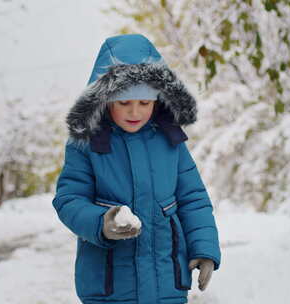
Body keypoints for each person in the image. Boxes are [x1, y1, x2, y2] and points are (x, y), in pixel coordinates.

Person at [52, 34, 221, 304]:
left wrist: (204, 249)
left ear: (159, 99)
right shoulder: (87, 144)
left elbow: (193, 200)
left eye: (144, 102)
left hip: (168, 284)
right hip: (111, 288)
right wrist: (102, 222)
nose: (135, 112)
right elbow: (68, 200)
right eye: (124, 102)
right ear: (105, 99)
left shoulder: (171, 142)